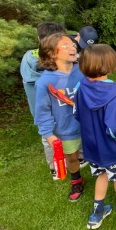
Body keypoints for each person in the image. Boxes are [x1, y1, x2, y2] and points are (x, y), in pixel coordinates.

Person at [74, 44, 116, 229]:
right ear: (109, 65)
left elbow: (77, 113)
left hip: (92, 146)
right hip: (112, 148)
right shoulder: (113, 93)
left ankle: (97, 213)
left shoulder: (80, 87)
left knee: (102, 174)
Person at [34, 34, 86, 201]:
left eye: (73, 44)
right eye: (65, 46)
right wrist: (48, 134)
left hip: (89, 124)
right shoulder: (44, 82)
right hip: (66, 128)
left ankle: (102, 172)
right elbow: (42, 112)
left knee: (95, 149)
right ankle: (76, 180)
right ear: (51, 54)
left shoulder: (83, 70)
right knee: (72, 157)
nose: (72, 48)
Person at [20, 22, 66, 179]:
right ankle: (63, 164)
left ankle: (55, 168)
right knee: (55, 135)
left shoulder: (28, 57)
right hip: (56, 106)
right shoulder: (56, 61)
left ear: (39, 39)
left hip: (40, 110)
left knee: (48, 137)